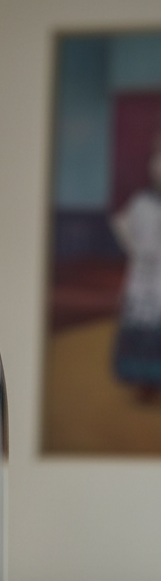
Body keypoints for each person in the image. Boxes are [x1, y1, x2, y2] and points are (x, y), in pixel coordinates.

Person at [110, 142, 161, 404]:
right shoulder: (141, 203)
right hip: (144, 277)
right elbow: (120, 223)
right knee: (143, 328)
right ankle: (146, 382)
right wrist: (136, 249)